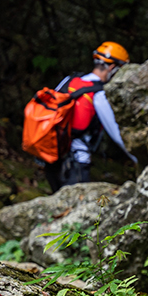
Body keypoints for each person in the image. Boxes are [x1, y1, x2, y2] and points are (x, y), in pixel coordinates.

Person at [44, 41, 138, 190]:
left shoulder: (70, 80)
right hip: (77, 163)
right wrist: (136, 158)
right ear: (112, 67)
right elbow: (116, 133)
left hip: (51, 158)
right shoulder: (99, 94)